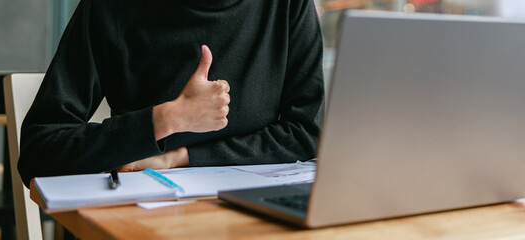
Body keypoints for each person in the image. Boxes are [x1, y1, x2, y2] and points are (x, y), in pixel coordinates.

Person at [17, 0, 324, 186]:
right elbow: (39, 152)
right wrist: (166, 119)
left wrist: (181, 158)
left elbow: (305, 133)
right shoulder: (112, 8)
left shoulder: (288, 6)